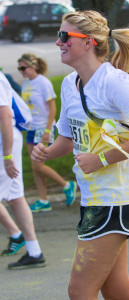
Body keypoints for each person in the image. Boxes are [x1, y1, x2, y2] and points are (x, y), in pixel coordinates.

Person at [31, 10, 129, 299]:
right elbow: (68, 140)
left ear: (89, 42)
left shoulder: (114, 82)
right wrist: (46, 153)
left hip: (116, 199)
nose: (59, 43)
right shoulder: (70, 84)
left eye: (64, 36)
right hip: (95, 198)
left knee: (80, 291)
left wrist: (101, 159)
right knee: (120, 292)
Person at [17, 53, 77, 211]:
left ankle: (67, 185)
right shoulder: (25, 84)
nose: (21, 71)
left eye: (23, 67)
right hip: (31, 128)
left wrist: (48, 129)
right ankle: (43, 200)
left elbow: (53, 107)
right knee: (35, 165)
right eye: (19, 68)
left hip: (43, 127)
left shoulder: (43, 82)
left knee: (38, 165)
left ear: (33, 66)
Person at [0, 70, 46, 269]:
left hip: (4, 145)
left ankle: (22, 240)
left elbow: (5, 115)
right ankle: (34, 251)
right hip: (6, 145)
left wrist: (8, 155)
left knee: (15, 197)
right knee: (16, 197)